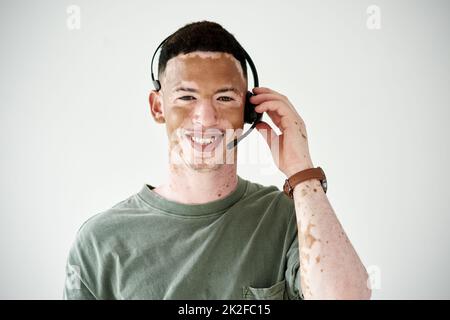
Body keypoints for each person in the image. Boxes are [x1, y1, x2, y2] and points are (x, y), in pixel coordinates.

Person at [63, 20, 371, 300]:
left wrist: (301, 170)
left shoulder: (288, 216)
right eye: (186, 98)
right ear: (158, 107)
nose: (206, 118)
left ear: (249, 111)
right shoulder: (100, 242)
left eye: (225, 98)